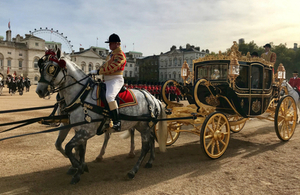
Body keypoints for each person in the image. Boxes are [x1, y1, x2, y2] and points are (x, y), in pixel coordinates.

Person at [90, 33, 126, 131]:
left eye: (111, 43)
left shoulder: (120, 55)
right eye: (109, 43)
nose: (109, 45)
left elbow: (112, 68)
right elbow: (105, 66)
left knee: (110, 96)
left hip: (115, 79)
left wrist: (98, 71)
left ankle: (116, 121)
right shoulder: (111, 55)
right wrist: (96, 71)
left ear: (117, 44)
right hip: (106, 79)